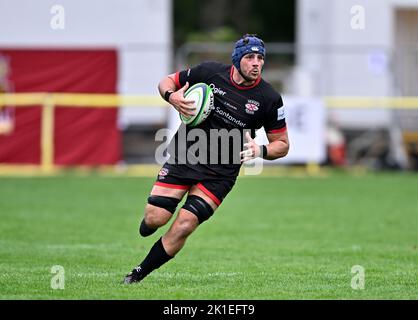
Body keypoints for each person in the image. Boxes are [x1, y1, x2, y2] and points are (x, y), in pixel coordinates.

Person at [123, 34, 290, 284]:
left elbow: (283, 144)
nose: (256, 63)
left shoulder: (269, 98)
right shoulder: (210, 72)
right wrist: (172, 96)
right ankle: (149, 223)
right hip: (186, 155)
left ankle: (137, 274)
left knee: (184, 225)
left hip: (220, 173)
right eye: (250, 57)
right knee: (155, 218)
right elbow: (166, 81)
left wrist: (261, 150)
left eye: (260, 58)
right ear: (237, 60)